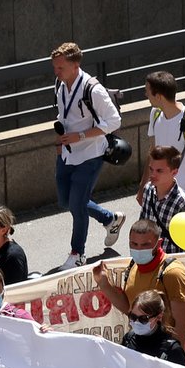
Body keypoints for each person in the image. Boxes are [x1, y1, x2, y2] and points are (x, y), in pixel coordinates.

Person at [50, 41, 125, 270]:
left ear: (75, 65)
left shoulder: (93, 89)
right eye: (55, 67)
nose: (56, 72)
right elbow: (64, 113)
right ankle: (109, 218)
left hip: (90, 154)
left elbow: (114, 121)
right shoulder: (60, 84)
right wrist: (62, 140)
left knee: (78, 206)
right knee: (66, 201)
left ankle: (77, 253)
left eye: (60, 67)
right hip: (68, 152)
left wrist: (80, 136)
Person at [93, 217, 185, 345]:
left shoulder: (173, 273)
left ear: (159, 243)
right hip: (139, 346)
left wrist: (172, 355)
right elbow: (129, 309)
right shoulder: (133, 266)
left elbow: (182, 324)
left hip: (163, 348)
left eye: (145, 245)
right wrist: (104, 283)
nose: (139, 249)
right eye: (134, 244)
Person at [141, 72, 185, 206]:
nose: (146, 95)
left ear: (159, 96)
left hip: (183, 199)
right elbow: (152, 154)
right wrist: (142, 188)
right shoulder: (155, 114)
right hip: (156, 196)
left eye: (147, 91)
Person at [133, 145, 185, 252]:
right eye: (151, 169)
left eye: (159, 171)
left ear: (174, 172)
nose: (153, 174)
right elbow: (142, 224)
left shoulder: (182, 202)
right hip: (149, 259)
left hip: (171, 261)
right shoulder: (148, 189)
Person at [120, 288, 185, 366]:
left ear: (159, 317)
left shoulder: (171, 349)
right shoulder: (128, 339)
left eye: (143, 319)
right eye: (133, 316)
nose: (136, 322)